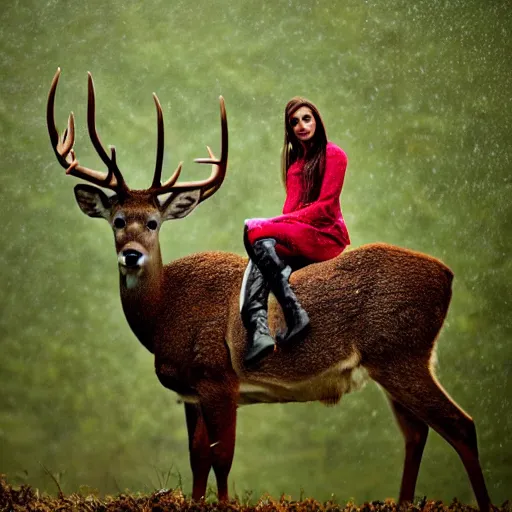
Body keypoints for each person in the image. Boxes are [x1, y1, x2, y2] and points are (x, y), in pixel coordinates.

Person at [240, 97, 350, 366]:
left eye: (306, 118)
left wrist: (274, 223)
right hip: (300, 233)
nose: (301, 125)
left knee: (255, 231)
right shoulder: (295, 166)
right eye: (294, 122)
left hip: (324, 235)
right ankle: (260, 330)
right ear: (289, 129)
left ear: (316, 121)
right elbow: (291, 210)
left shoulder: (334, 154)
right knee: (259, 241)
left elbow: (324, 208)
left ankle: (290, 313)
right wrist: (277, 225)